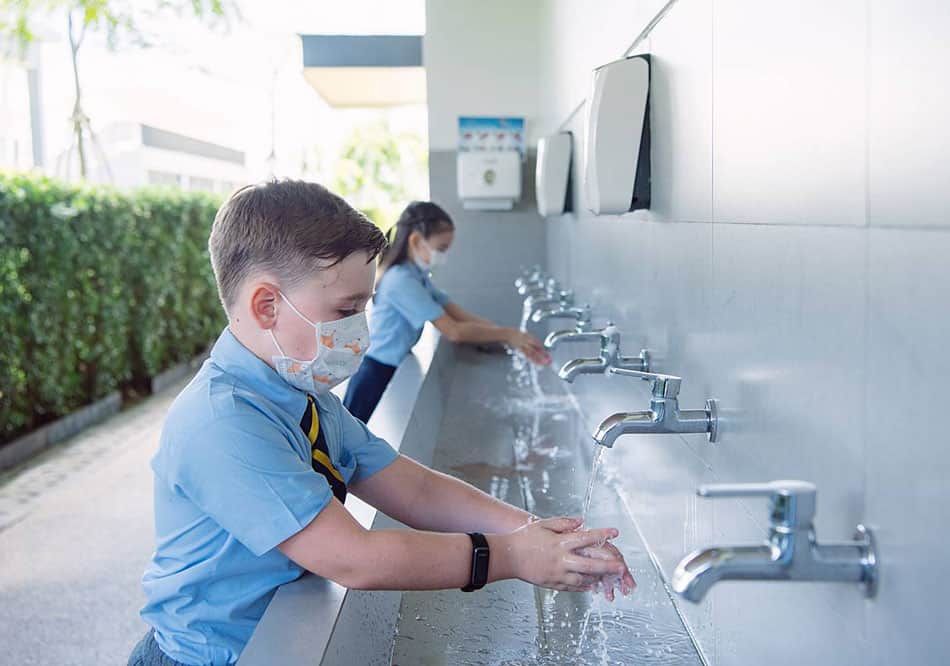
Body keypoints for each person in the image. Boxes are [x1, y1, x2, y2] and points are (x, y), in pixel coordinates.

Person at [128, 181, 634, 666]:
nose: (360, 334)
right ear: (266, 305)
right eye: (346, 310)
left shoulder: (302, 396)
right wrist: (513, 557)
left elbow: (411, 488)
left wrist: (533, 532)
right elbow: (354, 558)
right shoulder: (225, 422)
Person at [343, 201, 550, 423]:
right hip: (375, 369)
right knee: (348, 436)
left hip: (392, 364)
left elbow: (458, 314)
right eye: (441, 248)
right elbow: (454, 331)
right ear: (415, 240)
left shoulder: (416, 276)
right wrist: (508, 335)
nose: (443, 256)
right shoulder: (401, 281)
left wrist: (513, 337)